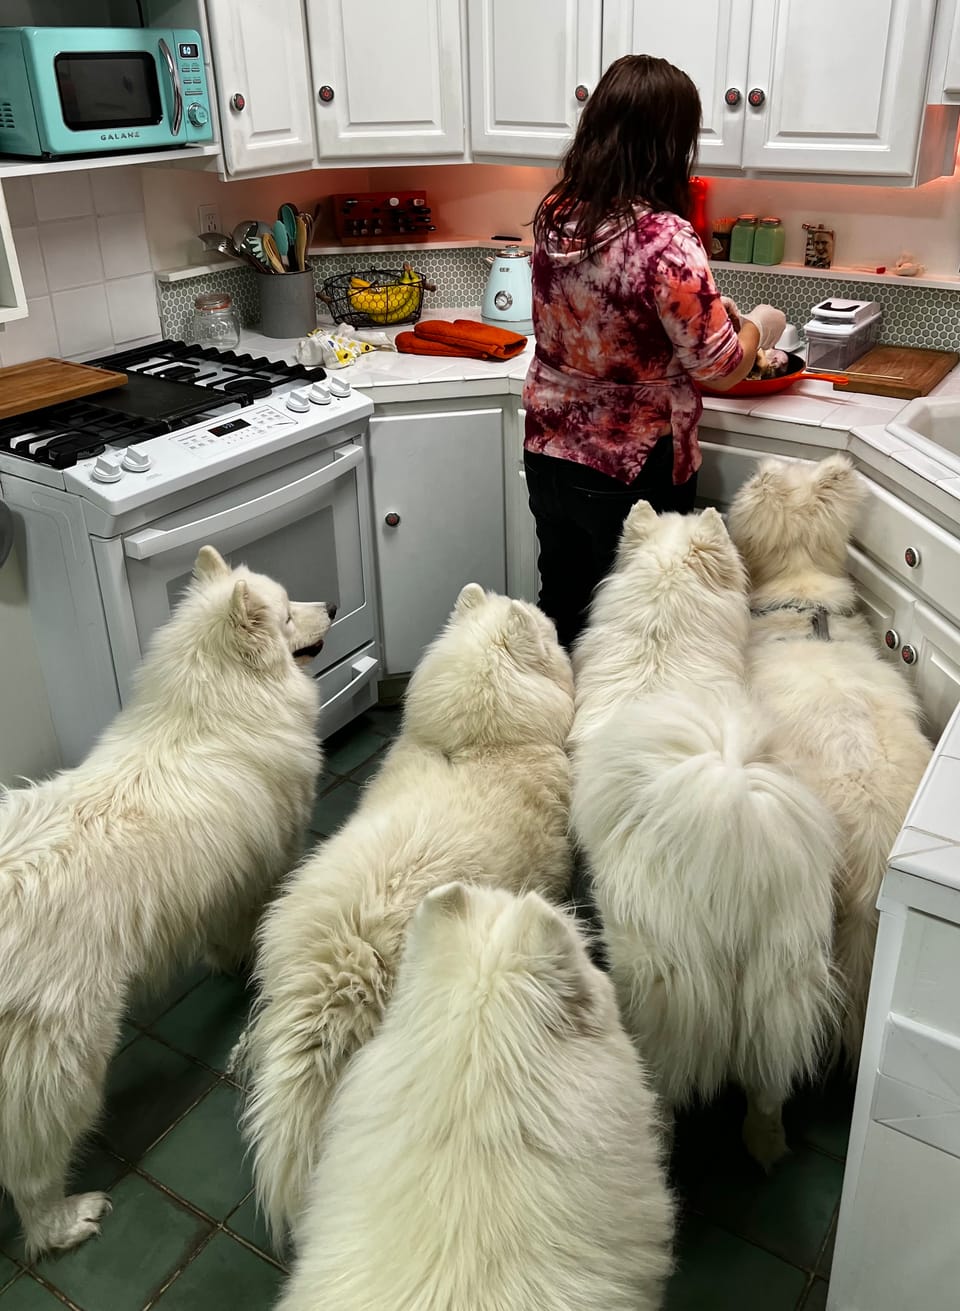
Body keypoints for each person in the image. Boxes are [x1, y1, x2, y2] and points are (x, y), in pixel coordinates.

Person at [523, 53, 785, 649]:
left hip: (549, 446)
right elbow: (720, 368)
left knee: (564, 605)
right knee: (640, 630)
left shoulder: (557, 215)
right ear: (670, 142)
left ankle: (559, 731)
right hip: (632, 462)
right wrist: (760, 326)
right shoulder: (662, 238)